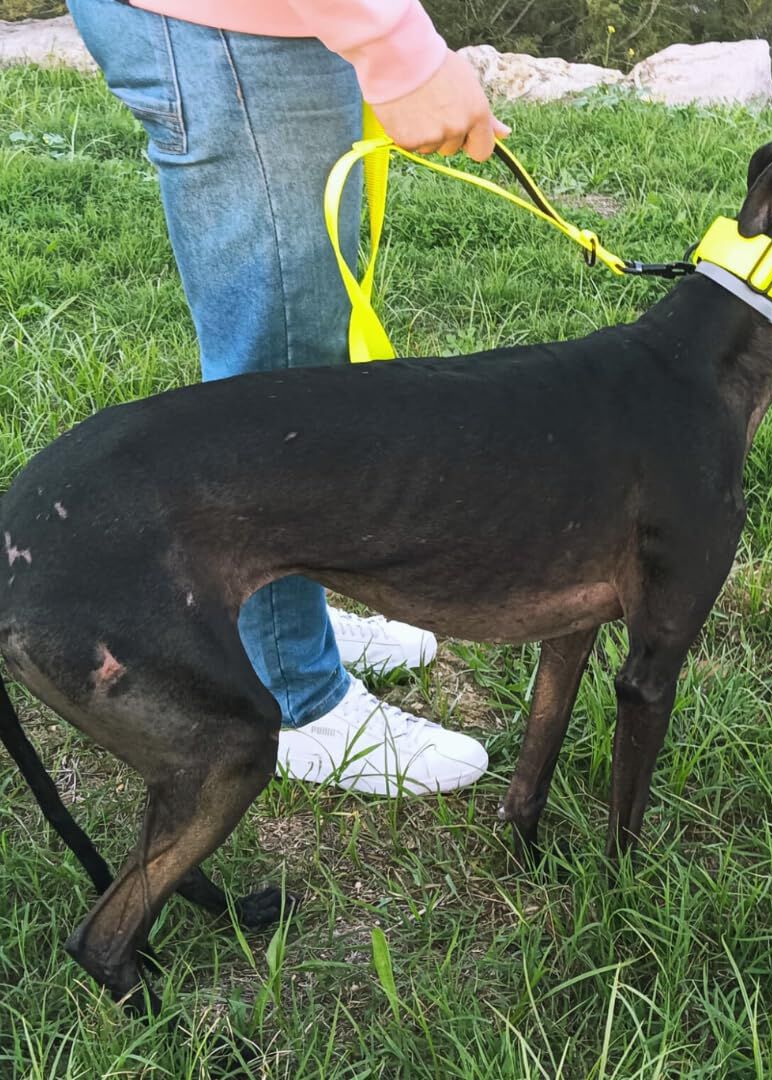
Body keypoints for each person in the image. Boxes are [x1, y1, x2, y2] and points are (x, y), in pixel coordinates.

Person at [67, 0, 508, 796]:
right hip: (235, 28)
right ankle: (294, 695)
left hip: (268, 20)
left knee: (297, 358)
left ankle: (279, 612)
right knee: (278, 387)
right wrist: (399, 50)